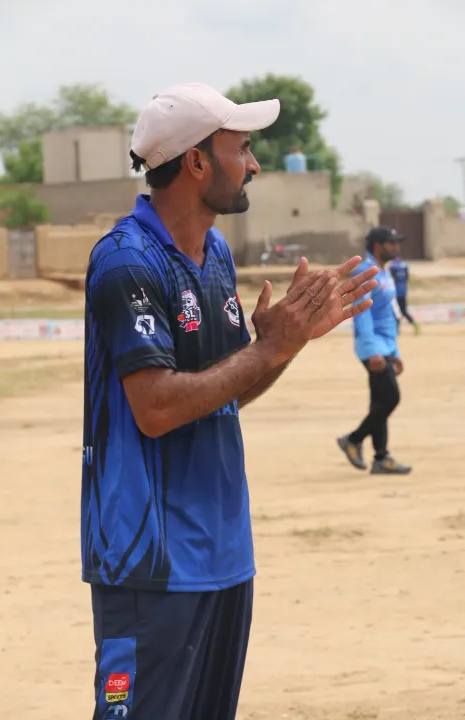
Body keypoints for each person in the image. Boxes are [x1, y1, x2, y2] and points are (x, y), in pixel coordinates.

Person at [81, 81, 378, 720]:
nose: (254, 164)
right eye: (241, 149)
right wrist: (266, 349)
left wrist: (283, 345)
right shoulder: (127, 262)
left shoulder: (214, 253)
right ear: (196, 161)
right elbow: (157, 408)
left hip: (223, 552)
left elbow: (223, 393)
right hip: (150, 561)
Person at [337, 226, 412, 475]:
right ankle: (353, 440)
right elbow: (362, 313)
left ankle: (381, 458)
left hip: (386, 344)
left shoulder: (385, 272)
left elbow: (389, 314)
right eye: (392, 242)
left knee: (379, 402)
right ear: (379, 246)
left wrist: (395, 352)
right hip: (373, 346)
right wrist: (372, 351)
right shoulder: (365, 272)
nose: (396, 247)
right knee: (391, 398)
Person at [389, 255, 420, 335]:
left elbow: (392, 279)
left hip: (395, 292)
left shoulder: (392, 266)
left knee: (396, 311)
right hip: (403, 291)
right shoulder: (404, 265)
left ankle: (397, 330)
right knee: (403, 311)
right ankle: (413, 324)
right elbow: (407, 277)